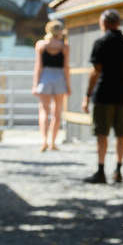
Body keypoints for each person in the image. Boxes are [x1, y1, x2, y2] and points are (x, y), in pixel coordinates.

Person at [81, 8, 123, 183]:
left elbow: (95, 72)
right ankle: (118, 170)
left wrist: (87, 95)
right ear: (118, 23)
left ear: (104, 23)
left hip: (104, 95)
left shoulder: (101, 42)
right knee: (122, 134)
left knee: (102, 134)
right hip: (122, 94)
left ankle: (100, 170)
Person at [33, 20, 71, 152]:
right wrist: (68, 85)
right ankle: (53, 142)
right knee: (57, 112)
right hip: (59, 78)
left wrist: (35, 84)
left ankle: (44, 141)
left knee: (44, 111)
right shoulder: (64, 47)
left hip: (45, 78)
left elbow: (38, 67)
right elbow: (66, 67)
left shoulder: (41, 45)